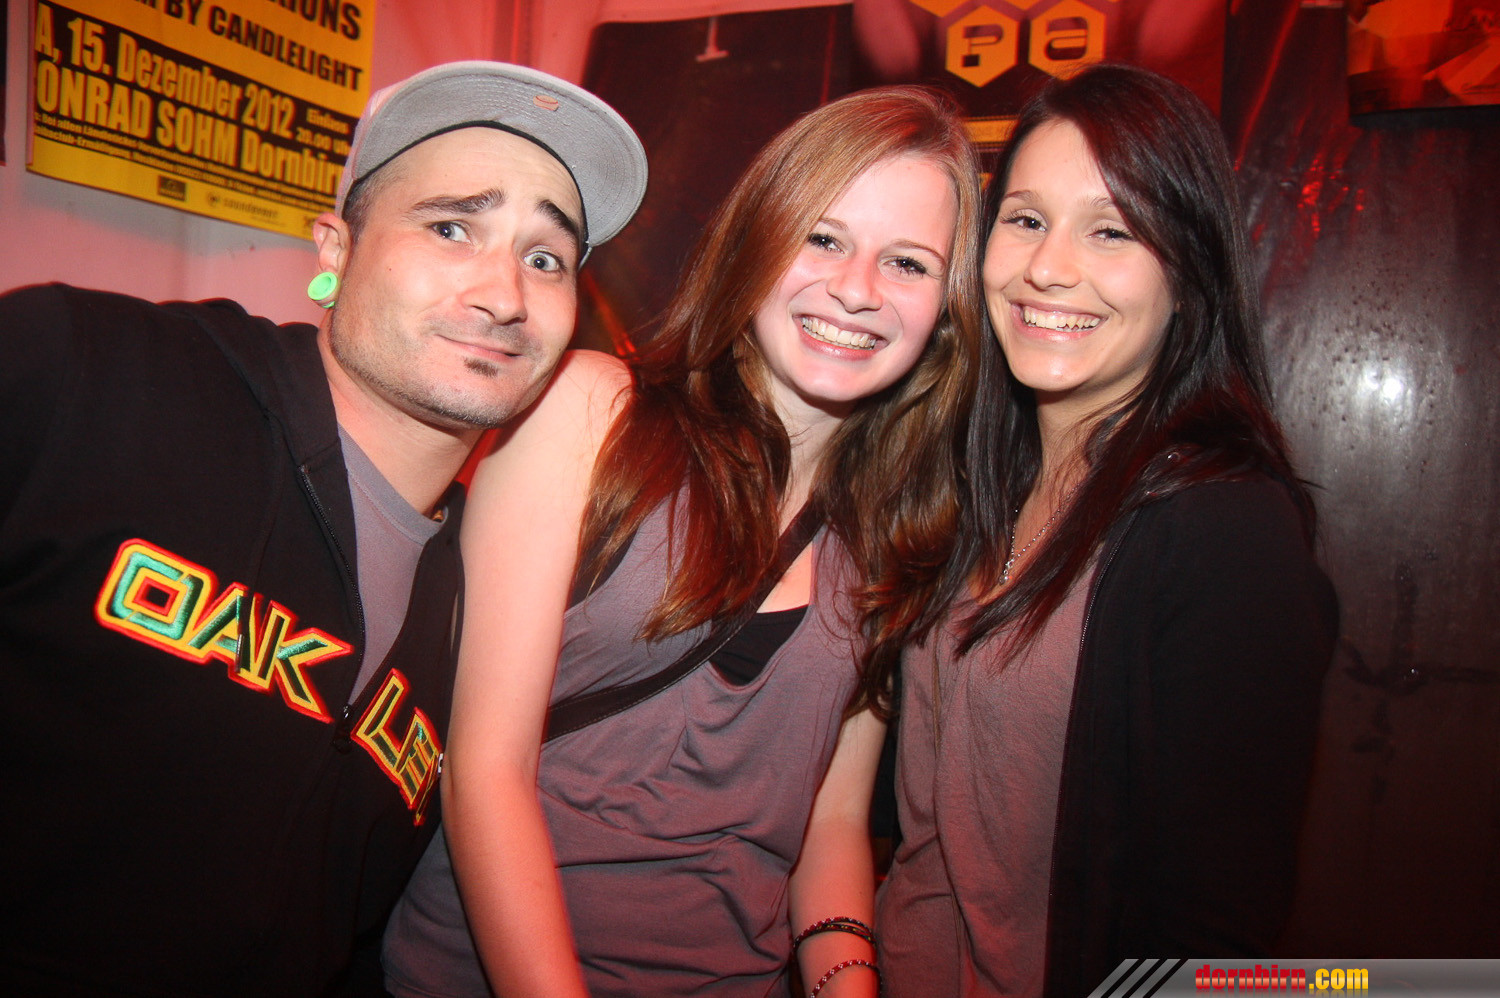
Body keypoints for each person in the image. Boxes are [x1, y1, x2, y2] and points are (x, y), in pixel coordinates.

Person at [0, 61, 646, 997]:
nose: (505, 294)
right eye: (452, 227)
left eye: (546, 258)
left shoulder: (483, 601)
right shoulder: (91, 374)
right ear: (336, 246)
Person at [381, 86, 983, 997]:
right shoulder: (595, 415)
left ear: (946, 306)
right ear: (756, 240)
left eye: (907, 262)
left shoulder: (895, 537)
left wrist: (846, 983)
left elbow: (828, 828)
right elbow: (485, 771)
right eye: (823, 238)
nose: (857, 289)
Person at [875, 64, 1339, 998]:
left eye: (1112, 230)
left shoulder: (1224, 530)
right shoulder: (973, 486)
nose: (1049, 268)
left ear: (1189, 274)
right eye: (1026, 219)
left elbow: (1214, 929)